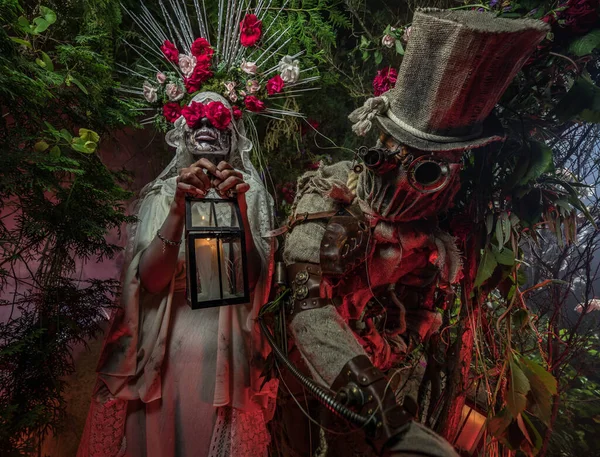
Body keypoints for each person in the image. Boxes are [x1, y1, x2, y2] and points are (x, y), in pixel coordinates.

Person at [278, 8, 549, 457]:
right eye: (392, 154)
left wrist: (402, 338)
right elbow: (307, 309)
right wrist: (388, 419)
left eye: (425, 168)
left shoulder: (429, 235)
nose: (400, 177)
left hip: (375, 363)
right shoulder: (332, 193)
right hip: (308, 366)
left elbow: (423, 299)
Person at [77, 92, 277, 457]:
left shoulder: (253, 194)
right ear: (182, 132)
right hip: (161, 359)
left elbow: (253, 285)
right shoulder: (161, 194)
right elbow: (149, 282)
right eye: (196, 121)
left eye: (216, 121)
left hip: (225, 360)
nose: (205, 130)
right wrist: (177, 211)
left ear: (234, 134)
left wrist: (240, 210)